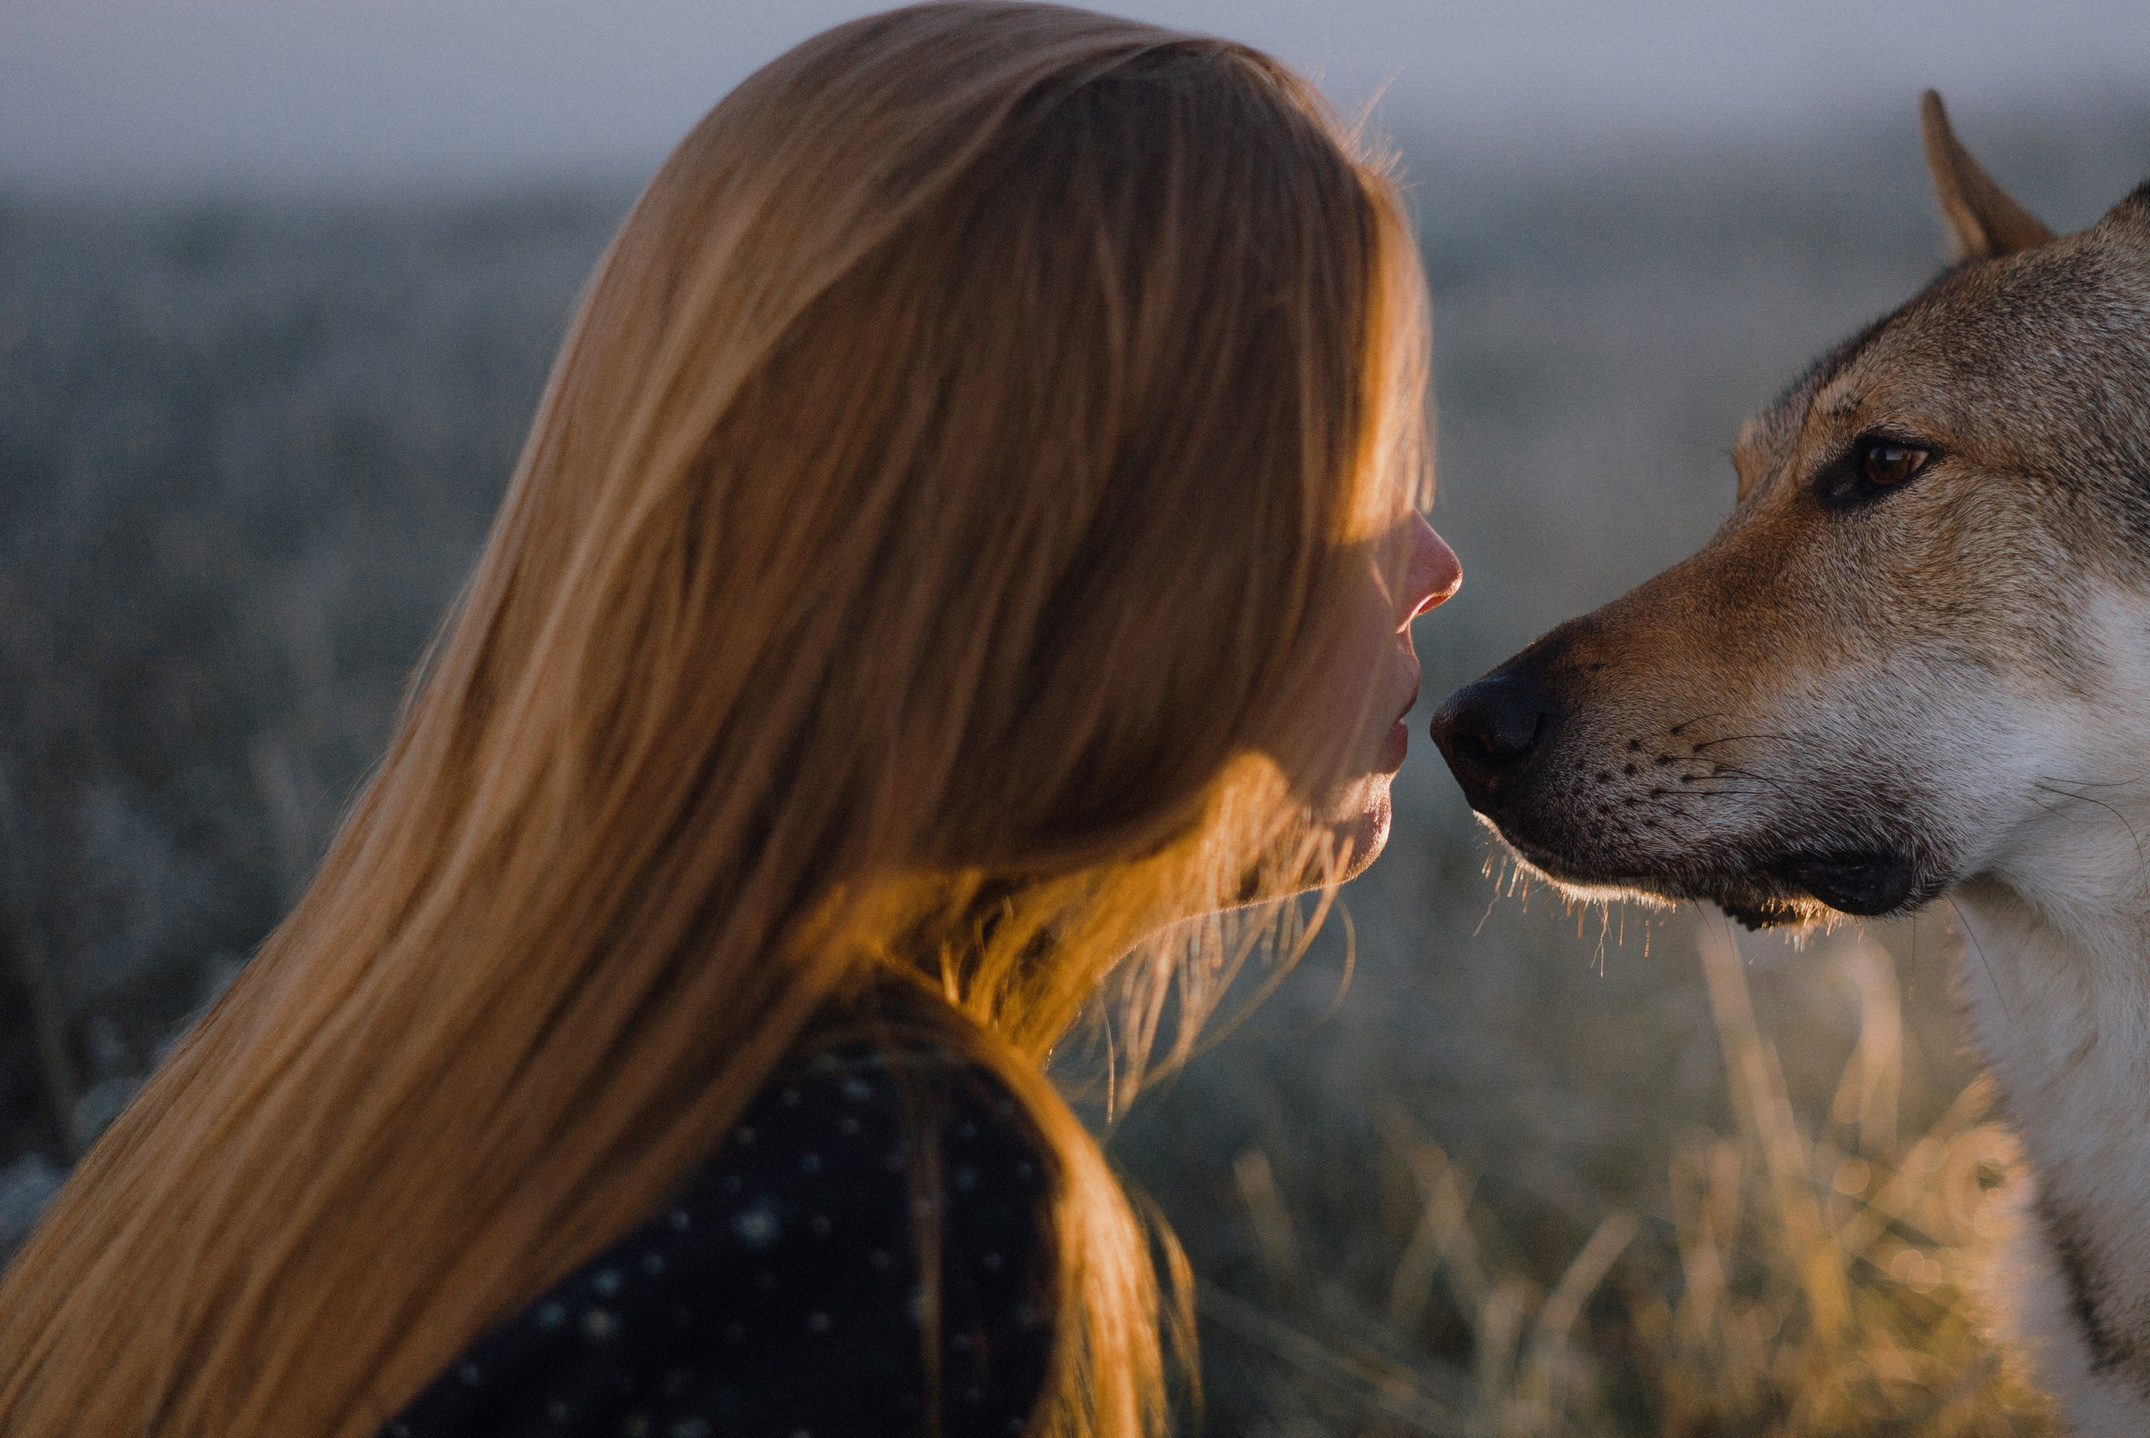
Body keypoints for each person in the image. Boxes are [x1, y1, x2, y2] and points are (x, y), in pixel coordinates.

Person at [0, 6, 1461, 1435]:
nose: (1430, 568)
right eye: (1356, 469)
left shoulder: (312, 1090)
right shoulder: (871, 1210)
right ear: (1093, 539)